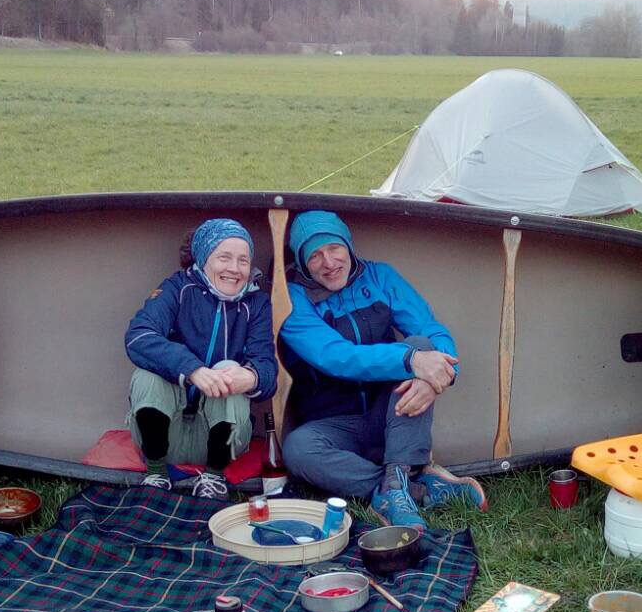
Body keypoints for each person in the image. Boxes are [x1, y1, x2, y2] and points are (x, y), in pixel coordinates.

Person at [277, 209, 487, 528]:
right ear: (303, 263)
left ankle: (397, 479)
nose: (329, 262)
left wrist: (438, 375)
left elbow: (431, 329)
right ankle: (407, 489)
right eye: (315, 255)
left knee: (422, 344)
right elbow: (334, 355)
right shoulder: (291, 298)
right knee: (297, 449)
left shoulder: (381, 277)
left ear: (348, 246)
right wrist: (409, 361)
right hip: (335, 425)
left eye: (334, 248)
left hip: (390, 416)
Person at [123, 218, 277, 498]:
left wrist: (250, 376)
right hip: (167, 434)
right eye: (224, 257)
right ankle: (156, 474)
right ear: (204, 258)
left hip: (221, 440)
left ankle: (213, 479)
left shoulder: (257, 304)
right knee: (147, 375)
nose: (234, 268)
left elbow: (267, 369)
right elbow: (138, 336)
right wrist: (192, 369)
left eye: (243, 260)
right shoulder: (178, 288)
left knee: (230, 371)